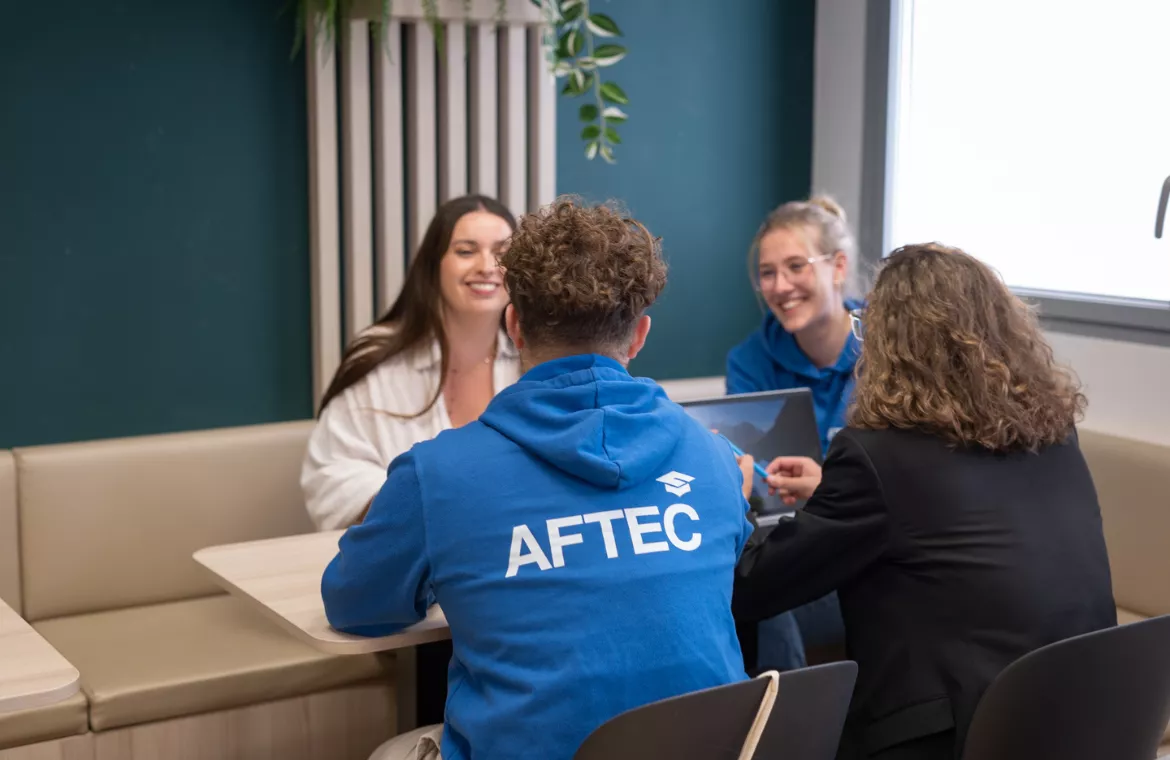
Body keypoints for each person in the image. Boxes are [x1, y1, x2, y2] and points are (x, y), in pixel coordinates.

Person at [321, 197, 756, 760]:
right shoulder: (716, 458)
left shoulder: (436, 473)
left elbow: (355, 604)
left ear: (514, 325)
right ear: (640, 334)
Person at [736, 243, 1117, 760]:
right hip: (1078, 719)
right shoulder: (1054, 435)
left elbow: (754, 588)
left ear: (889, 344)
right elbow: (944, 517)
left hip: (955, 735)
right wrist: (834, 489)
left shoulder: (878, 456)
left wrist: (733, 504)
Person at [301, 195, 522, 530]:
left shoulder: (538, 360)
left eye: (502, 254)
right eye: (466, 251)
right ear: (433, 265)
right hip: (405, 553)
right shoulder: (378, 357)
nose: (487, 267)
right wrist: (428, 510)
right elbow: (333, 477)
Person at [726, 195, 863, 672]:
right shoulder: (749, 361)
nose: (780, 286)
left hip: (871, 546)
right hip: (794, 542)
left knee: (767, 596)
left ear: (838, 266)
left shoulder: (891, 347)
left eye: (795, 266)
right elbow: (755, 485)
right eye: (767, 273)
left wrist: (827, 489)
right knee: (757, 591)